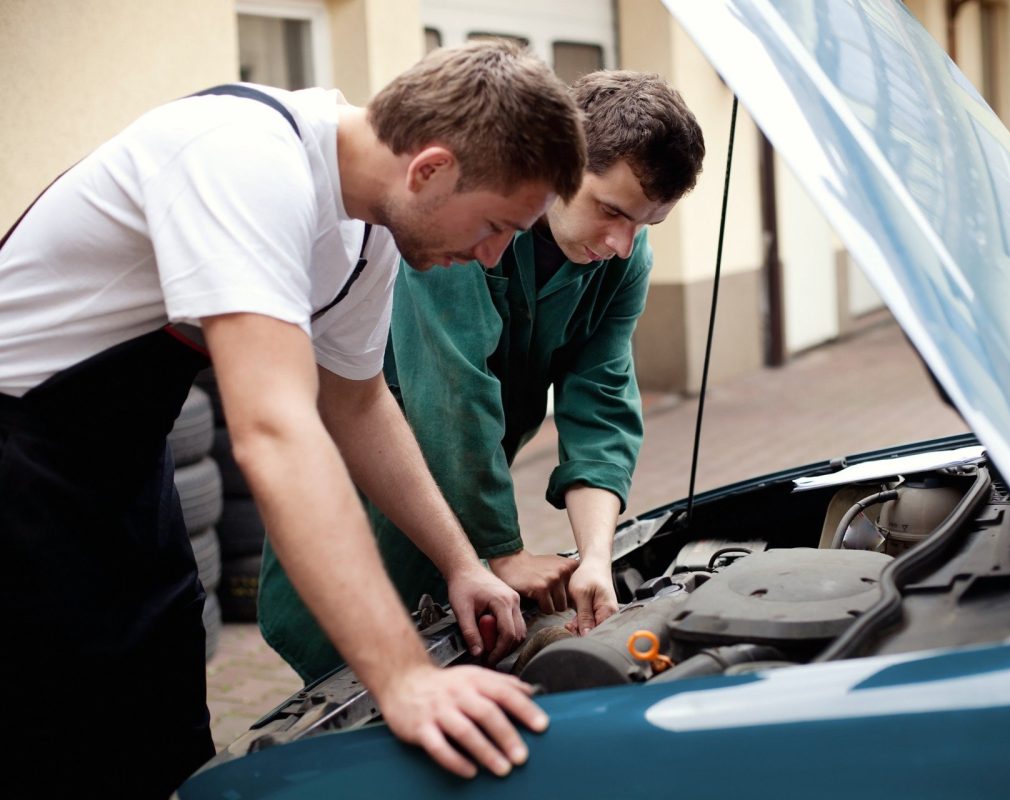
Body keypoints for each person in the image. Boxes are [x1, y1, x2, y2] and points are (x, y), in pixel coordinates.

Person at [0, 42, 585, 797]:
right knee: (49, 735)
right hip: (19, 458)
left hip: (121, 465)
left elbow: (358, 403)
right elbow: (276, 433)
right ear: (431, 168)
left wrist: (462, 563)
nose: (493, 256)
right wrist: (403, 677)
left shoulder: (367, 231)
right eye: (497, 224)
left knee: (163, 718)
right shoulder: (243, 158)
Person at [259, 71, 705, 683]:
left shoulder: (620, 260)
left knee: (449, 642)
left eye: (645, 226)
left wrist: (596, 558)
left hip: (466, 488)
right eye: (612, 211)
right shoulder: (466, 221)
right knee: (348, 669)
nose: (623, 244)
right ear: (564, 164)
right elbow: (452, 391)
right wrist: (504, 551)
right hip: (370, 477)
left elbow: (600, 399)